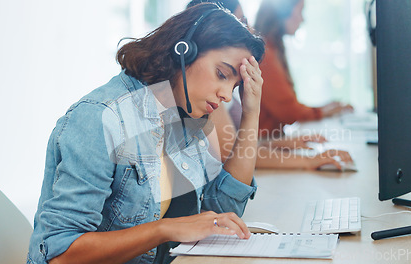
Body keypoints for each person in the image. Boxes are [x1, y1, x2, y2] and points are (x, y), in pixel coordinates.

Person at [27, 4, 266, 264]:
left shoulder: (181, 115)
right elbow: (60, 253)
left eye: (234, 85)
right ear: (183, 51)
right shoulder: (101, 119)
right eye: (221, 74)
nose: (226, 94)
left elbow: (221, 213)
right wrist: (164, 230)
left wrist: (250, 113)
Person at [187, 0, 353, 170]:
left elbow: (236, 147)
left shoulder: (218, 89)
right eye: (241, 24)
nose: (249, 30)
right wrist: (308, 161)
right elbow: (231, 153)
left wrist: (278, 143)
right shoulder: (208, 93)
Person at [255, 0, 353, 137]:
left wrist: (323, 109)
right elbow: (288, 111)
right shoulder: (265, 55)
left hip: (271, 142)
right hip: (265, 146)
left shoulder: (272, 48)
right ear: (283, 12)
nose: (302, 19)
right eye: (300, 11)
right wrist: (322, 111)